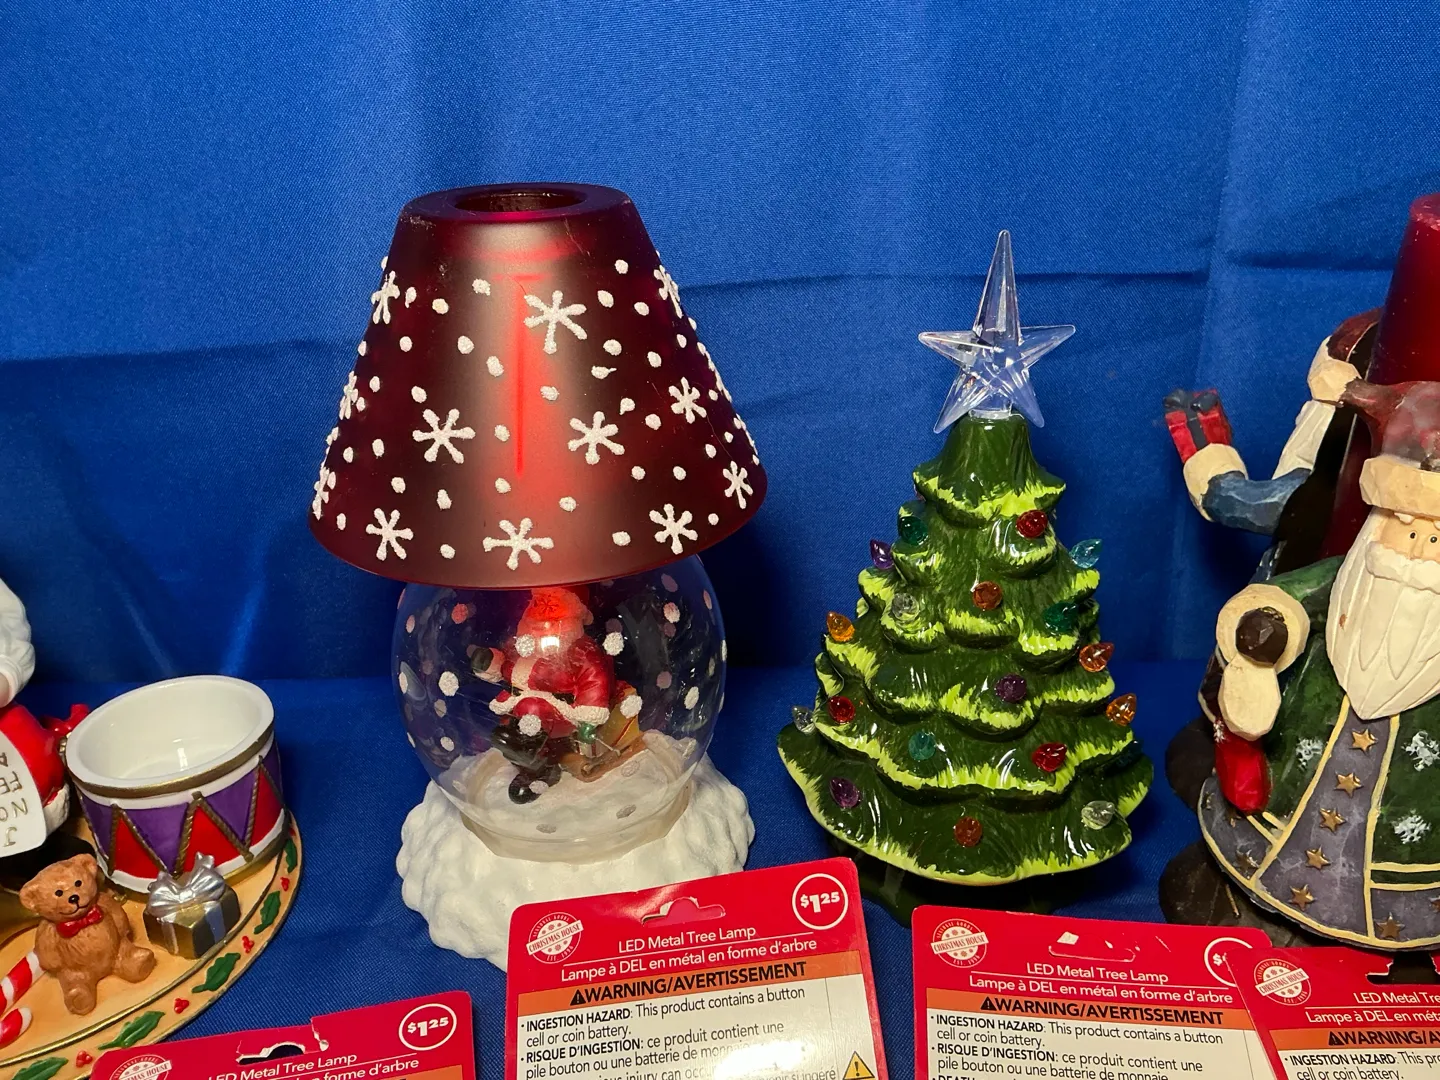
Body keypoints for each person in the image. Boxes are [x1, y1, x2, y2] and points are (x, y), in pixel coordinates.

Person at [1202, 377, 1440, 949]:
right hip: (1294, 771)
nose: (1412, 553)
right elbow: (1286, 599)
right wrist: (1264, 632)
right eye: (1404, 526)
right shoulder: (1349, 579)